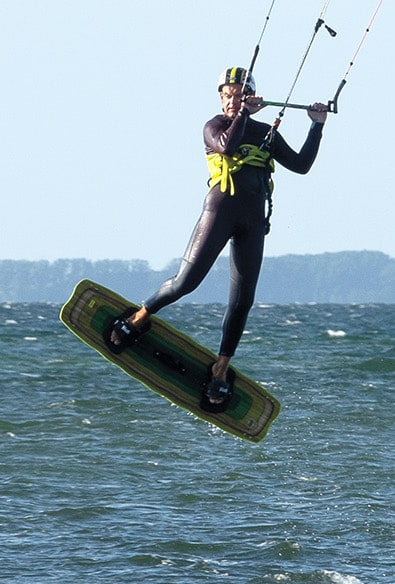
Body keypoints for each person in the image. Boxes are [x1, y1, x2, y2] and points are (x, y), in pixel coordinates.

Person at [106, 65, 329, 407]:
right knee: (186, 282)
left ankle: (221, 369)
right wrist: (242, 115)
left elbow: (300, 165)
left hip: (253, 222)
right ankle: (138, 317)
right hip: (219, 212)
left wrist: (316, 126)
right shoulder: (216, 126)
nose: (230, 101)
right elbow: (226, 147)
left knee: (243, 299)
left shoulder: (265, 131)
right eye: (226, 95)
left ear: (250, 96)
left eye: (236, 95)